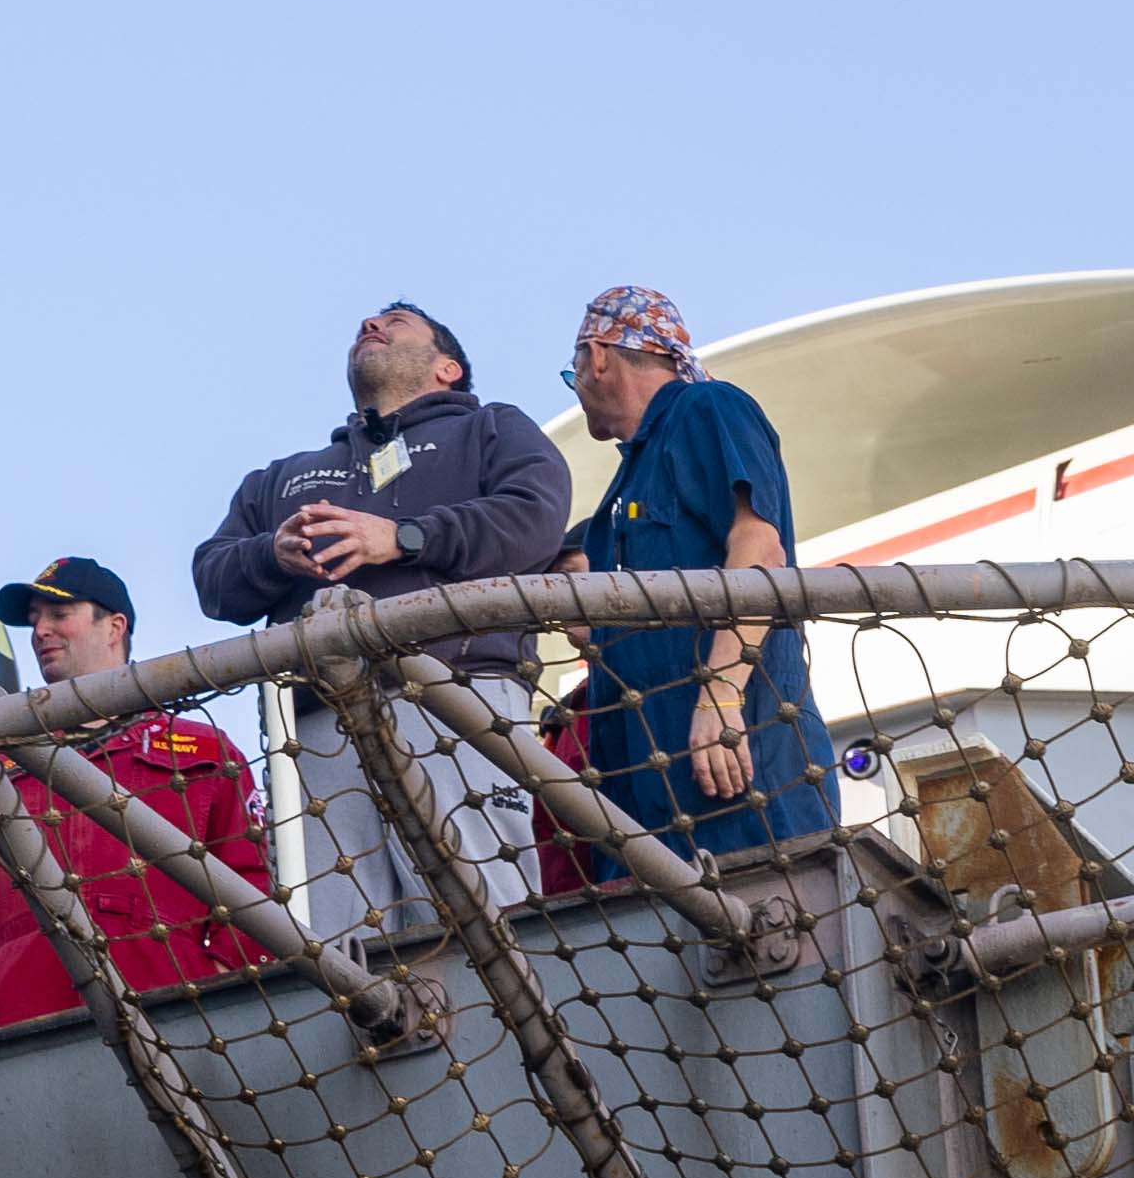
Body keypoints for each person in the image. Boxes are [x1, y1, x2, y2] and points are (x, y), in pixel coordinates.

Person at [189, 305, 575, 927]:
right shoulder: (280, 477)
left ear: (449, 367)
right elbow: (213, 579)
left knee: (485, 923)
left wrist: (405, 537)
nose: (370, 324)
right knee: (340, 952)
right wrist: (273, 555)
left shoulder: (492, 428)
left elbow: (533, 519)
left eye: (395, 321)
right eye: (365, 322)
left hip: (459, 698)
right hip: (315, 727)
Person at [0, 560, 270, 1032]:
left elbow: (251, 882)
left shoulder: (205, 751)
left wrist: (219, 982)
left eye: (59, 613)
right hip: (22, 1023)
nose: (40, 630)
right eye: (35, 618)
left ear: (114, 626)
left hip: (179, 1017)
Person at [561, 284, 835, 860]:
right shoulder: (623, 486)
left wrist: (720, 698)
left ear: (598, 355)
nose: (578, 384)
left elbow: (759, 550)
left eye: (573, 371)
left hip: (738, 777)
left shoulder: (708, 408)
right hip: (645, 803)